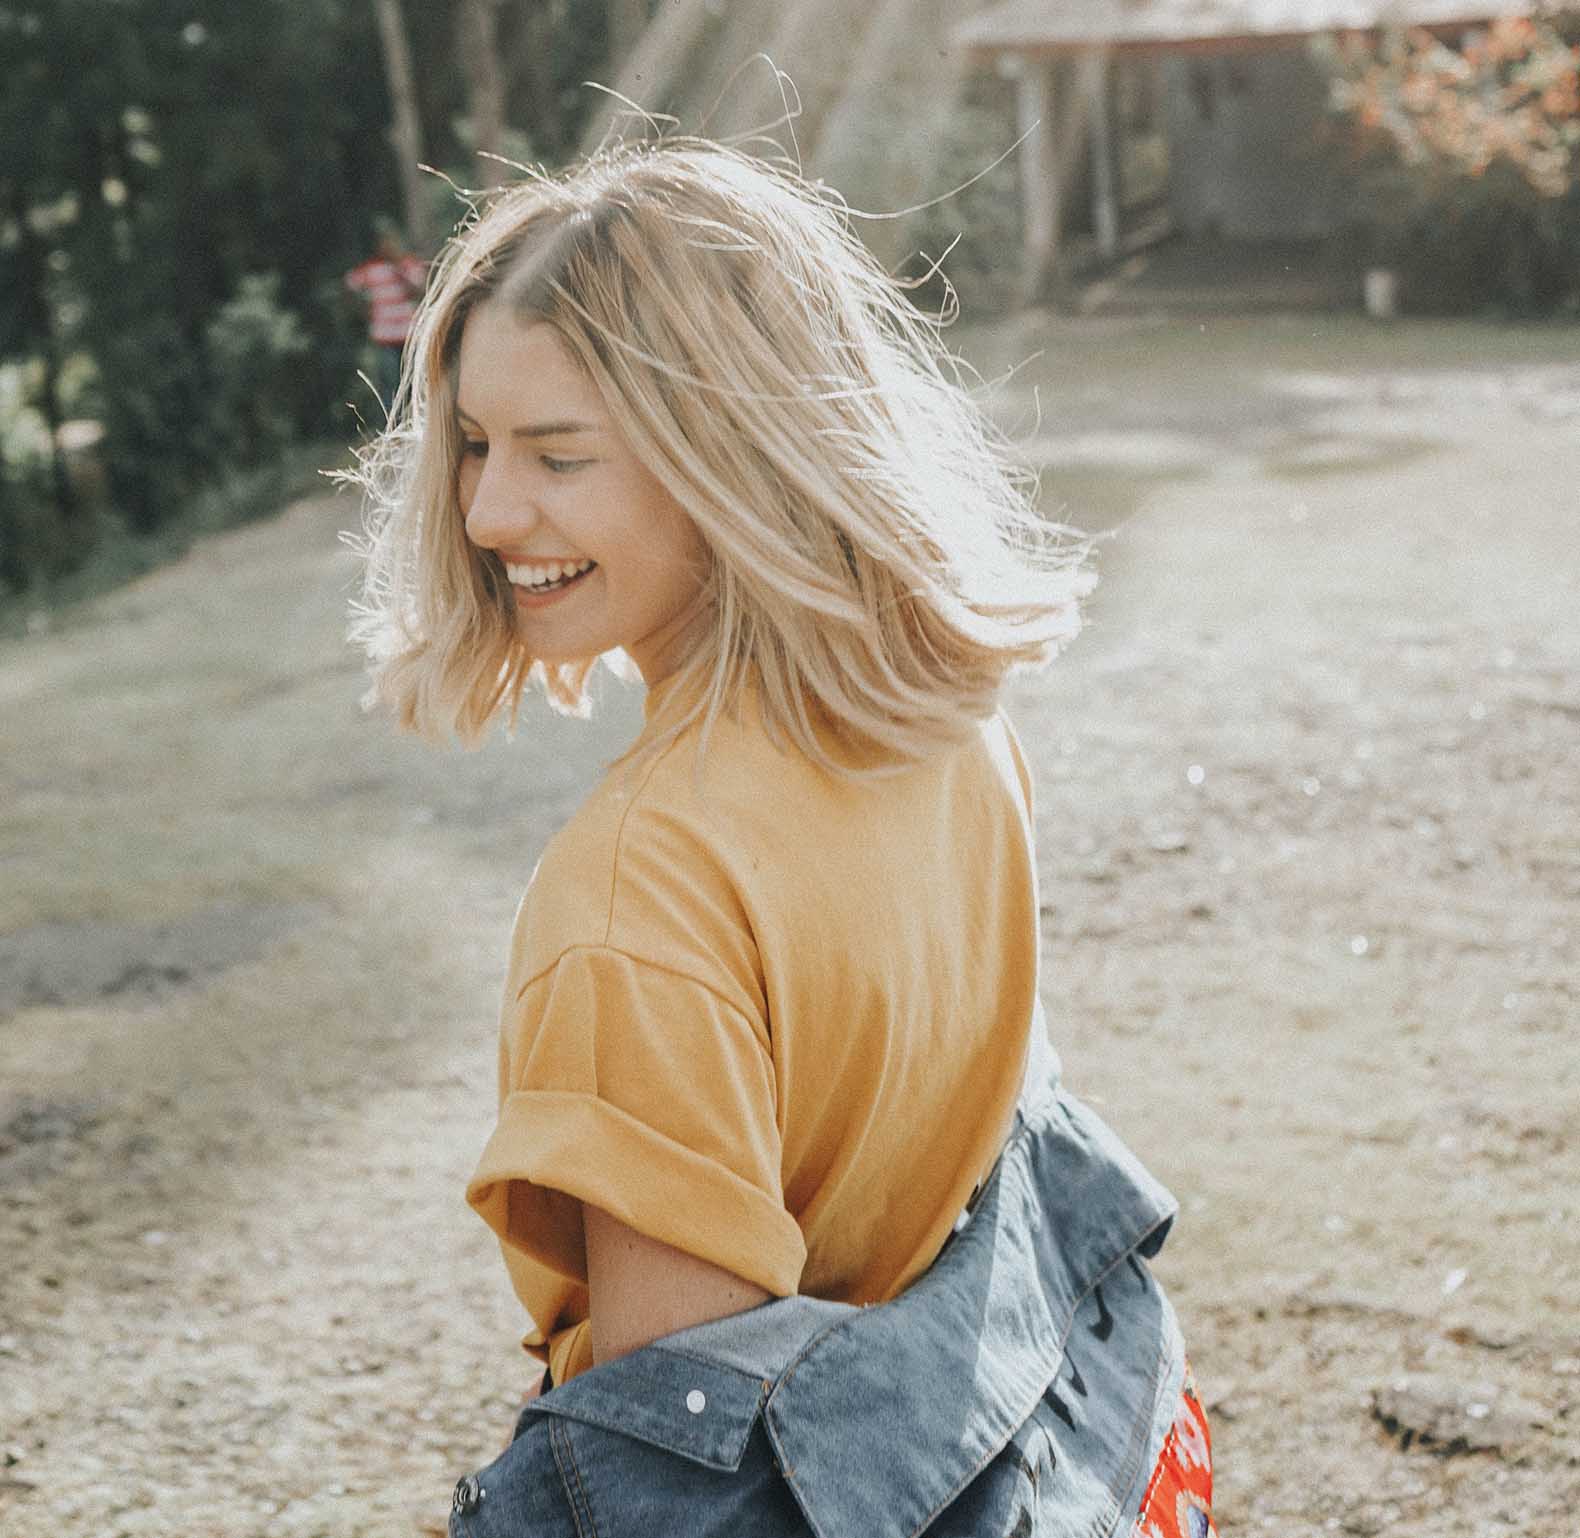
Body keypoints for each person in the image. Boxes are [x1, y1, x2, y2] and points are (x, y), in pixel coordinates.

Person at [349, 140, 1217, 1538]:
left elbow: (685, 1477)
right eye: (472, 440)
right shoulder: (945, 721)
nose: (488, 511)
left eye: (557, 454)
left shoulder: (644, 888)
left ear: (727, 451)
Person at [343, 217, 427, 412]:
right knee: (390, 386)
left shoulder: (409, 265)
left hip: (409, 335)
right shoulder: (371, 269)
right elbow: (349, 286)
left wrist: (399, 268)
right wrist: (363, 310)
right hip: (384, 337)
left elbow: (419, 288)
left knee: (415, 384)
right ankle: (393, 425)